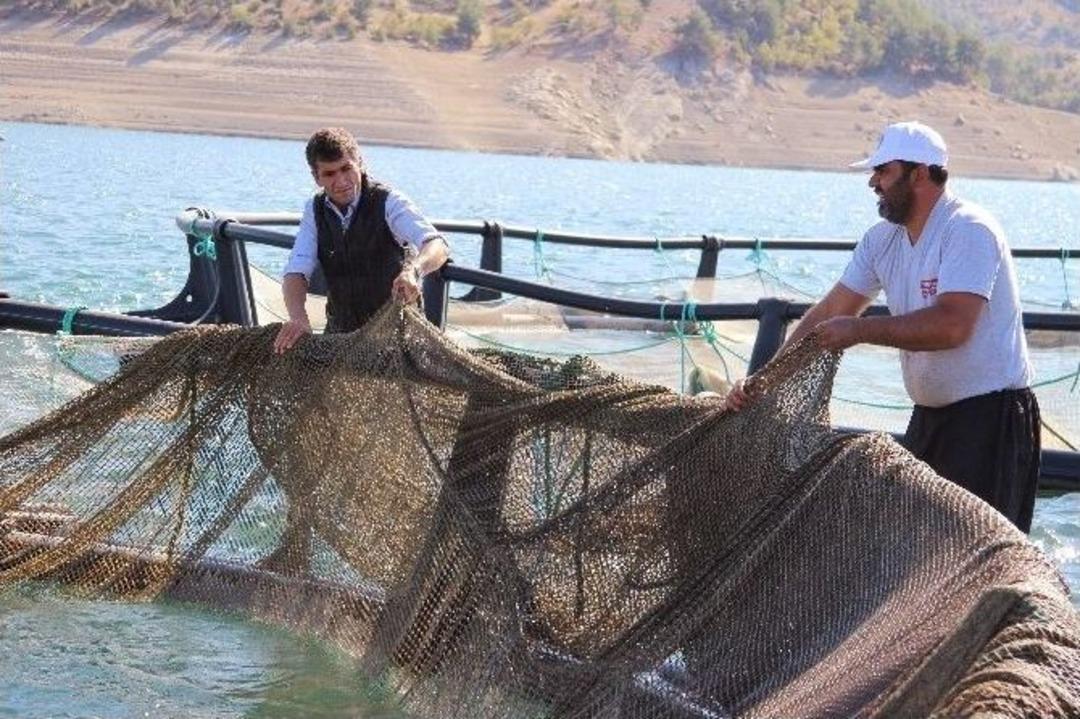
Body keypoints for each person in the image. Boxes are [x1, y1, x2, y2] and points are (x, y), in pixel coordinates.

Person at [726, 121, 1040, 532]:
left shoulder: (968, 229)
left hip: (991, 420)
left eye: (884, 171)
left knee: (975, 561)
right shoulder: (881, 240)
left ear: (921, 173)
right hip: (929, 419)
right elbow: (830, 311)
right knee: (914, 551)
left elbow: (952, 326)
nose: (873, 182)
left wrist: (859, 332)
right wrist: (765, 382)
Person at [273, 127, 449, 352]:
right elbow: (296, 270)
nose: (341, 181)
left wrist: (413, 271)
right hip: (341, 338)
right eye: (329, 174)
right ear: (316, 178)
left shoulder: (389, 202)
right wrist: (298, 318)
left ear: (360, 163)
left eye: (346, 168)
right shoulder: (314, 210)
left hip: (398, 340)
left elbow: (436, 244)